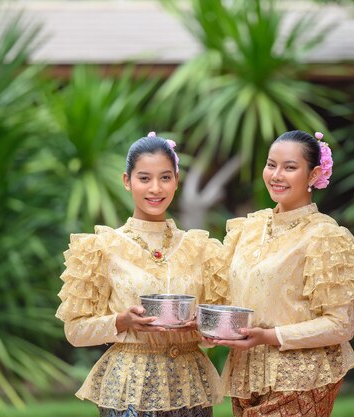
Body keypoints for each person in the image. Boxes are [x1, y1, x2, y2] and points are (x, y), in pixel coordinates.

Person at [55, 132, 227, 417]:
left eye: (165, 177)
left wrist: (201, 325)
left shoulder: (201, 248)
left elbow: (218, 329)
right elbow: (75, 331)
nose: (155, 188)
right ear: (127, 181)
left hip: (190, 388)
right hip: (129, 389)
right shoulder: (103, 247)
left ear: (176, 181)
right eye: (144, 178)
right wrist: (122, 321)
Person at [209, 130, 354, 417]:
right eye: (271, 165)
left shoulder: (325, 236)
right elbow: (230, 298)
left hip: (302, 377)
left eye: (290, 167)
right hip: (246, 374)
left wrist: (269, 335)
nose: (276, 175)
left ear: (313, 175)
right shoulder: (247, 230)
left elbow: (341, 325)